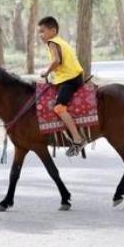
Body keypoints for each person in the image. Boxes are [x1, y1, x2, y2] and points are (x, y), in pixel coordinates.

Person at [38, 16, 87, 157]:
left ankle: (78, 140)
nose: (41, 35)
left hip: (69, 79)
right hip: (73, 76)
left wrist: (46, 72)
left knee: (59, 108)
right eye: (39, 32)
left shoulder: (52, 42)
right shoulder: (60, 41)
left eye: (43, 31)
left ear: (53, 31)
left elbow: (56, 61)